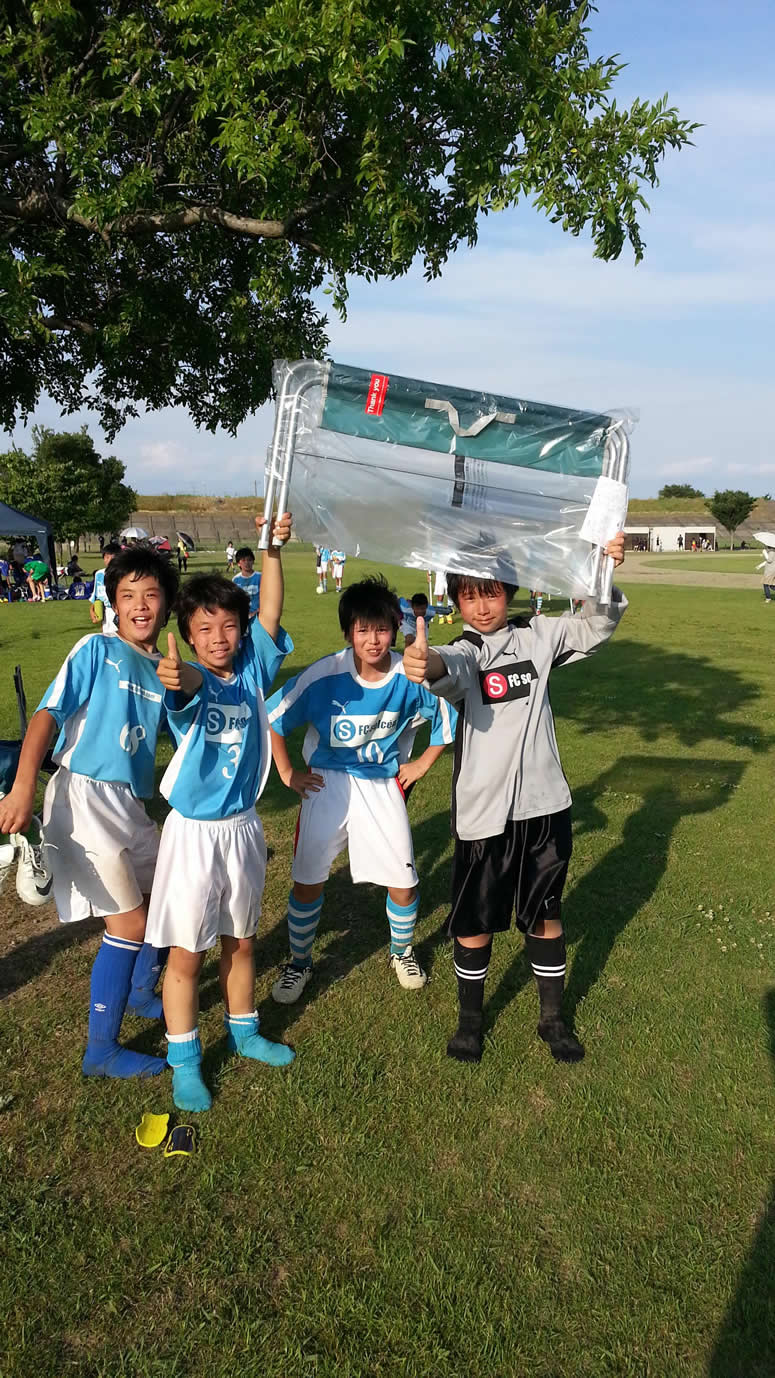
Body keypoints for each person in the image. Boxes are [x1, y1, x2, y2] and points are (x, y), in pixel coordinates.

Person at [403, 533, 627, 1066]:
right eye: (469, 596)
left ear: (510, 591)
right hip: (484, 815)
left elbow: (597, 625)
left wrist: (602, 569)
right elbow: (446, 666)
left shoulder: (539, 635)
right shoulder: (466, 651)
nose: (482, 607)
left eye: (492, 593)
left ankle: (552, 1019)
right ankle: (470, 1023)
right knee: (476, 921)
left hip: (544, 808)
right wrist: (424, 662)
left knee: (545, 915)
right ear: (456, 601)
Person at [0, 547, 180, 1079]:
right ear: (113, 604)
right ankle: (101, 1050)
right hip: (83, 799)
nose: (140, 605)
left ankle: (142, 992)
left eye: (151, 595)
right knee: (130, 922)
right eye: (128, 596)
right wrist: (23, 788)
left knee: (166, 893)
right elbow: (47, 715)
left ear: (166, 605)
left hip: (130, 804)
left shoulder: (165, 672)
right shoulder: (97, 649)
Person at [145, 513, 295, 1112]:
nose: (217, 637)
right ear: (188, 634)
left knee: (241, 942)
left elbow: (272, 611)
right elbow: (183, 684)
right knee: (187, 953)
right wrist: (176, 674)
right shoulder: (192, 681)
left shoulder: (252, 670)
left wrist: (272, 548)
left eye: (228, 626)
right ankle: (184, 1062)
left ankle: (244, 1031)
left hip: (243, 829)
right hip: (193, 835)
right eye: (204, 628)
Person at [266, 575, 457, 1005]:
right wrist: (287, 772)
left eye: (382, 629)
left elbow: (447, 715)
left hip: (381, 784)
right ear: (348, 632)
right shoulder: (325, 674)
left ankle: (401, 952)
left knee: (403, 881)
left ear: (395, 628)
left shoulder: (408, 675)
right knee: (307, 880)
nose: (373, 640)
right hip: (326, 783)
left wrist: (422, 763)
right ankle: (300, 962)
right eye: (363, 630)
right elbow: (275, 717)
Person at [89, 541, 121, 633]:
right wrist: (92, 610)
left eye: (113, 558)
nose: (109, 560)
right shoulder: (99, 574)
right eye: (106, 557)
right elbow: (97, 597)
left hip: (121, 613)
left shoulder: (124, 574)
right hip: (106, 615)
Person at [232, 545, 261, 617]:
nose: (247, 563)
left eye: (249, 560)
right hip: (242, 617)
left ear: (253, 561)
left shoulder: (260, 577)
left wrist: (257, 611)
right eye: (243, 560)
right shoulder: (235, 580)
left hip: (259, 616)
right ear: (238, 563)